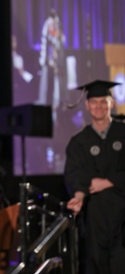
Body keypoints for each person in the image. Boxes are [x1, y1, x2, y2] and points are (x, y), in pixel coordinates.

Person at [64, 80, 125, 274]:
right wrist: (79, 196)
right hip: (94, 214)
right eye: (94, 102)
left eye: (103, 102)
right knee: (96, 264)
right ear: (87, 105)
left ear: (111, 104)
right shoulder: (79, 142)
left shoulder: (123, 133)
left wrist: (108, 181)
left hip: (123, 212)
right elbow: (75, 173)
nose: (99, 106)